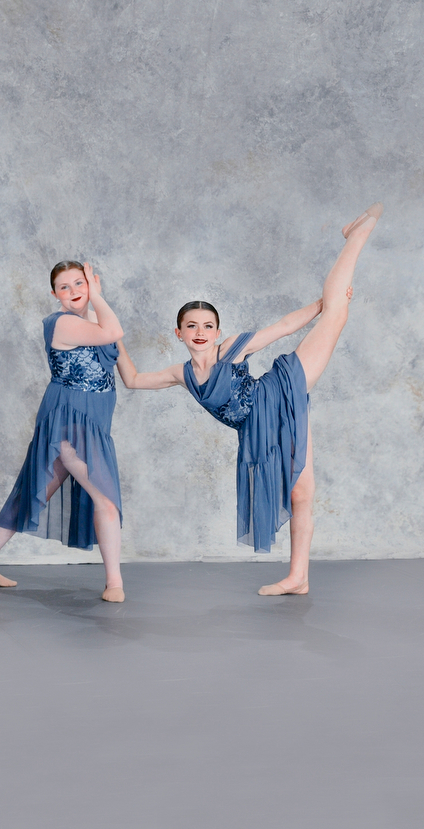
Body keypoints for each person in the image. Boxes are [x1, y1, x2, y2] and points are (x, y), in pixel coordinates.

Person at [115, 203, 382, 595]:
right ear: (179, 333)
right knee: (301, 493)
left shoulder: (230, 350)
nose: (200, 332)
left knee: (335, 315)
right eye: (192, 326)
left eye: (208, 326)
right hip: (259, 430)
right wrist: (113, 338)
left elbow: (284, 327)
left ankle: (358, 233)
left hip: (278, 392)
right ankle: (299, 578)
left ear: (217, 331)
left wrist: (323, 304)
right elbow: (134, 379)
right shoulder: (181, 374)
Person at [0, 262, 127, 601]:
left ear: (90, 282)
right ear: (55, 294)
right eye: (64, 287)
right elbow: (113, 331)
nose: (74, 291)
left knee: (33, 489)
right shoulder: (63, 323)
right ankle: (114, 582)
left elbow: (133, 377)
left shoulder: (95, 322)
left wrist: (182, 377)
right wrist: (98, 294)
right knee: (106, 500)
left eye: (79, 283)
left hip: (93, 424)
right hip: (70, 423)